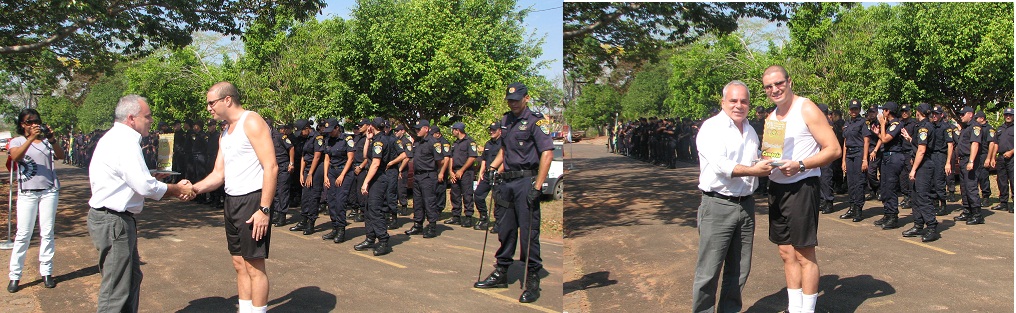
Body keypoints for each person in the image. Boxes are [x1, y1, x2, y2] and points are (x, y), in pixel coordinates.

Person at [87, 95, 194, 312]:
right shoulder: (124, 141)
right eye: (147, 116)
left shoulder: (116, 138)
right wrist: (177, 189)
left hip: (114, 220)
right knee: (116, 290)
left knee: (130, 279)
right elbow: (144, 187)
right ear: (131, 118)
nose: (151, 121)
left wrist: (151, 177)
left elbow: (127, 179)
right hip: (113, 220)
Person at [191, 82, 279, 313]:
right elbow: (218, 174)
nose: (209, 108)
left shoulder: (251, 121)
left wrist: (264, 209)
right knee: (239, 263)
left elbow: (271, 166)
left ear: (227, 100)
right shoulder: (225, 133)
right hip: (232, 201)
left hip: (253, 201)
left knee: (254, 266)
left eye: (211, 103)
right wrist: (193, 189)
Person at [761, 66, 840, 313]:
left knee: (804, 254)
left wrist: (801, 165)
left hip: (802, 187)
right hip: (777, 188)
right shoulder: (771, 118)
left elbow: (834, 149)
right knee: (786, 252)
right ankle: (794, 307)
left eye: (779, 83)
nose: (775, 89)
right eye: (769, 86)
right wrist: (762, 163)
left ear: (789, 82)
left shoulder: (806, 107)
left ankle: (808, 310)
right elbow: (772, 155)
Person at [690, 81, 773, 313]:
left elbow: (753, 158)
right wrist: (754, 171)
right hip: (717, 205)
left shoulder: (750, 130)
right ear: (723, 102)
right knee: (709, 271)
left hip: (745, 205)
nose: (739, 105)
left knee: (739, 269)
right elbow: (721, 165)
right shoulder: (712, 128)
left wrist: (768, 161)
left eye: (744, 101)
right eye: (733, 100)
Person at [474, 82, 554, 303]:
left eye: (517, 100)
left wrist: (538, 186)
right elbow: (504, 149)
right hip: (507, 182)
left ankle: (532, 278)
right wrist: (492, 168)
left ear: (526, 98)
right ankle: (501, 271)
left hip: (526, 181)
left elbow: (547, 153)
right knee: (506, 229)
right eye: (510, 100)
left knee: (528, 233)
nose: (513, 104)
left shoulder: (536, 122)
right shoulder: (506, 120)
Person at [7, 108, 66, 293]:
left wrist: (52, 139)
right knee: (23, 234)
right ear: (22, 124)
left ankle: (47, 272)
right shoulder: (17, 141)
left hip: (49, 191)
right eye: (29, 122)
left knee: (47, 232)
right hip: (27, 193)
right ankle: (15, 275)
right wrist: (31, 138)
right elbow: (15, 156)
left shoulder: (46, 142)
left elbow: (61, 156)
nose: (34, 124)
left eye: (36, 121)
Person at [354, 117, 406, 255]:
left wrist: (365, 182)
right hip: (375, 177)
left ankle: (383, 240)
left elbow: (375, 164)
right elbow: (366, 156)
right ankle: (370, 238)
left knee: (375, 209)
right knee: (368, 209)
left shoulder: (380, 141)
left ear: (372, 126)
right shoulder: (375, 139)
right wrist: (368, 139)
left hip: (378, 178)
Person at [901, 103, 941, 241]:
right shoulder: (922, 126)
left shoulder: (924, 127)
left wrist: (913, 170)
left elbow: (922, 150)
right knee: (915, 196)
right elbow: (919, 144)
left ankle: (931, 227)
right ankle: (918, 225)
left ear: (919, 112)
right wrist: (910, 139)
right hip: (920, 164)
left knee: (923, 197)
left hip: (923, 166)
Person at [950, 106, 987, 225]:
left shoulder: (975, 127)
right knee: (964, 187)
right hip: (963, 160)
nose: (960, 116)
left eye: (963, 114)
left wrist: (971, 161)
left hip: (970, 160)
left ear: (970, 114)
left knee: (971, 187)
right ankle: (967, 211)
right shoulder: (965, 127)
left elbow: (975, 144)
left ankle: (977, 214)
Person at [405, 120, 441, 238]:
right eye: (416, 129)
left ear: (426, 128)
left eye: (419, 129)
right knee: (418, 202)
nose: (417, 131)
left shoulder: (433, 142)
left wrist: (437, 173)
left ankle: (432, 227)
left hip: (428, 176)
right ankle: (418, 225)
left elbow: (440, 161)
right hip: (417, 176)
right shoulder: (417, 142)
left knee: (429, 202)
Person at [873, 102, 906, 230]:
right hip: (887, 156)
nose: (882, 113)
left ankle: (893, 216)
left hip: (894, 157)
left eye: (884, 110)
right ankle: (887, 213)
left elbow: (886, 139)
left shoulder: (896, 124)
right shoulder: (890, 125)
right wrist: (878, 132)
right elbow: (883, 138)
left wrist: (882, 124)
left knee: (891, 187)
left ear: (888, 111)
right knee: (885, 186)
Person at [321, 119, 354, 243]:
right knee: (331, 201)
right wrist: (325, 176)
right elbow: (327, 159)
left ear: (337, 128)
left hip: (344, 172)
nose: (330, 133)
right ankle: (334, 227)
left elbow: (350, 159)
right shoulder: (328, 140)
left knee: (340, 201)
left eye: (331, 130)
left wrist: (342, 175)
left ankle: (341, 229)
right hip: (332, 172)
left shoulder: (347, 139)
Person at [290, 119, 325, 235]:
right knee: (305, 196)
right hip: (307, 169)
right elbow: (303, 156)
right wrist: (301, 173)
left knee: (313, 196)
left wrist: (310, 174)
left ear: (307, 128)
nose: (300, 134)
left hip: (316, 169)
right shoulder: (304, 139)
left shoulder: (317, 137)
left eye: (301, 131)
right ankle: (303, 220)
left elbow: (317, 157)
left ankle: (311, 222)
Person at [839, 100, 871, 222]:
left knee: (859, 182)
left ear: (859, 110)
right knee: (850, 182)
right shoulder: (847, 123)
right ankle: (851, 207)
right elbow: (845, 142)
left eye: (856, 109)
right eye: (852, 109)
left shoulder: (863, 122)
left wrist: (865, 159)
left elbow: (866, 141)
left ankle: (858, 209)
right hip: (849, 154)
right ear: (849, 110)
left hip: (859, 153)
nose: (854, 111)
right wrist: (843, 160)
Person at [448, 122, 479, 228]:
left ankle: (468, 217)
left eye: (453, 129)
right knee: (454, 194)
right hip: (455, 171)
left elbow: (472, 157)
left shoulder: (470, 142)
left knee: (467, 194)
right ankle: (456, 216)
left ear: (458, 130)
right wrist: (450, 171)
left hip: (466, 172)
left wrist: (461, 170)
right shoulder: (455, 143)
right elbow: (451, 158)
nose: (452, 131)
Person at [474, 122, 503, 232]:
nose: (491, 132)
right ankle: (483, 218)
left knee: (497, 199)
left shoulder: (503, 143)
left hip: (499, 174)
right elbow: (484, 159)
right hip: (487, 174)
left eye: (494, 130)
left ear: (500, 131)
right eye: (490, 129)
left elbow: (504, 159)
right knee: (478, 194)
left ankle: (498, 222)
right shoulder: (488, 143)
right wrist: (480, 173)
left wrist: (497, 172)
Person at [270, 121, 295, 227]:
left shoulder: (280, 136)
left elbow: (291, 148)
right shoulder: (266, 137)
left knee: (282, 192)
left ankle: (282, 216)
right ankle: (276, 213)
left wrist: (291, 163)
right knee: (275, 191)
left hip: (283, 166)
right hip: (274, 167)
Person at [992, 108, 1014, 212]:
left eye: (1010, 115)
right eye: (1006, 115)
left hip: (1012, 158)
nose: (1008, 117)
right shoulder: (1000, 128)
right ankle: (1003, 203)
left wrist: (1011, 152)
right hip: (1001, 157)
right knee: (1001, 181)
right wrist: (993, 157)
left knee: (1013, 180)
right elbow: (996, 144)